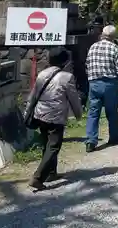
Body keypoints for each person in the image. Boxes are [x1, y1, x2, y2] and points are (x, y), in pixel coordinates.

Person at [26, 47, 83, 191]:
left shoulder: (42, 74)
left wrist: (27, 111)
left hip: (40, 114)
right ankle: (38, 177)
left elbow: (33, 95)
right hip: (55, 116)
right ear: (65, 61)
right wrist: (78, 114)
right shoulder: (67, 77)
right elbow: (73, 98)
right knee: (53, 146)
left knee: (46, 144)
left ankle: (52, 172)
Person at [85, 25, 118, 153]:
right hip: (109, 83)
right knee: (112, 111)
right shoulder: (114, 48)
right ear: (113, 36)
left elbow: (87, 64)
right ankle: (114, 136)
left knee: (93, 112)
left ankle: (91, 140)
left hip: (94, 82)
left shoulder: (93, 47)